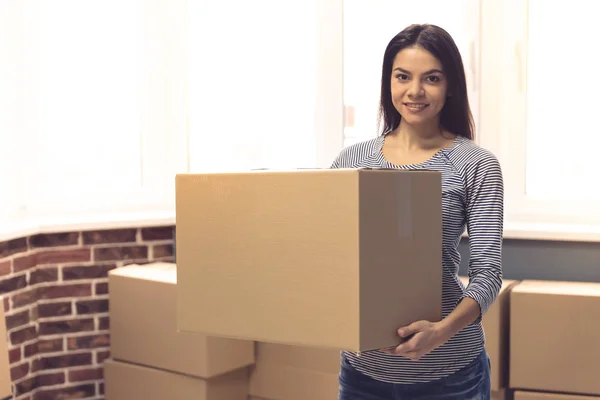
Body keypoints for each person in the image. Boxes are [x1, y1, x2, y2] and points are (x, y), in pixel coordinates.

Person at [330, 24, 504, 400]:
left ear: (451, 85)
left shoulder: (474, 164)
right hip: (362, 373)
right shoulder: (350, 161)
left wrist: (439, 333)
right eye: (402, 77)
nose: (415, 91)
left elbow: (488, 275)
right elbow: (330, 258)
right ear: (387, 82)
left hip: (450, 374)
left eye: (432, 78)